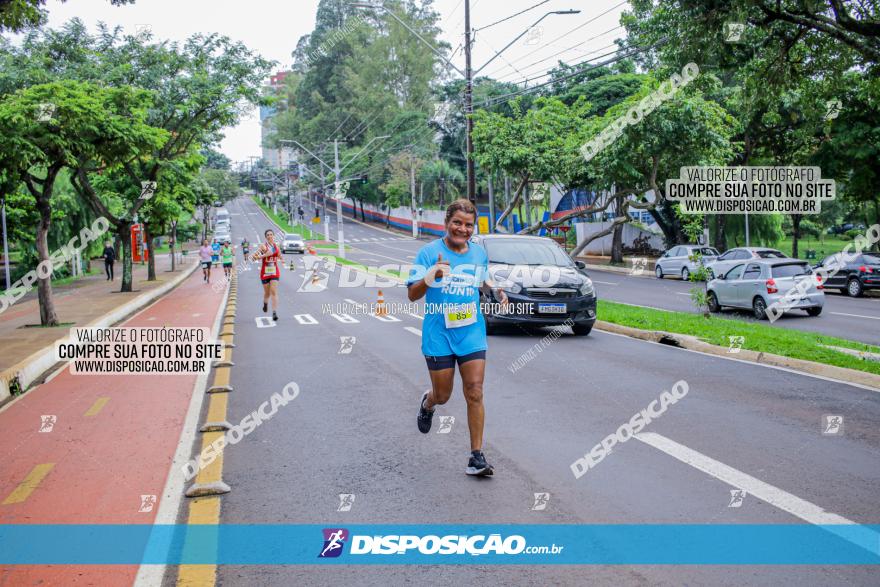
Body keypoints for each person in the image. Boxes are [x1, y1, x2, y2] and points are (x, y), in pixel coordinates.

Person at [406, 199, 508, 477]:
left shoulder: (478, 254)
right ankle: (428, 404)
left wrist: (495, 291)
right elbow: (412, 294)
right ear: (447, 223)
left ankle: (476, 456)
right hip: (438, 334)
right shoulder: (428, 253)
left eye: (468, 224)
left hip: (471, 331)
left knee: (475, 391)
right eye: (457, 223)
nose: (463, 229)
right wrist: (432, 275)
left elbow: (482, 281)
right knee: (443, 394)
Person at [251, 229, 282, 321]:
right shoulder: (263, 246)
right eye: (268, 235)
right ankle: (265, 303)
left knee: (273, 291)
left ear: (273, 236)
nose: (269, 236)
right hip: (265, 272)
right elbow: (254, 257)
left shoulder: (277, 246)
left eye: (271, 234)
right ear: (266, 237)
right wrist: (256, 257)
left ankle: (274, 312)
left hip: (274, 272)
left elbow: (279, 255)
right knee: (267, 293)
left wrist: (281, 258)